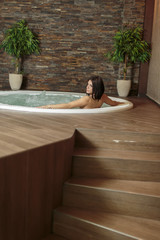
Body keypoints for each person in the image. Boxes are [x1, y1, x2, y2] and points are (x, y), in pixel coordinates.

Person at [37, 76, 123, 109]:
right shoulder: (86, 99)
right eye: (87, 84)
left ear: (97, 87)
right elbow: (69, 105)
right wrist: (48, 106)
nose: (87, 87)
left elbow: (113, 103)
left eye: (90, 85)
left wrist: (124, 103)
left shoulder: (102, 97)